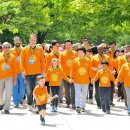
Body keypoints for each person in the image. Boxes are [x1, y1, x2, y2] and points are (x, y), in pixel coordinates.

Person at [20, 33, 45, 111]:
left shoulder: (40, 49)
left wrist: (43, 71)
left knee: (36, 89)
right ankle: (30, 104)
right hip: (28, 73)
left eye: (34, 40)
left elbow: (42, 61)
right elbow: (22, 61)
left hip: (37, 73)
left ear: (36, 40)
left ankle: (36, 104)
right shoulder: (24, 49)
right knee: (28, 90)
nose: (33, 41)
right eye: (31, 40)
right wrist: (23, 70)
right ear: (29, 40)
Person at [72, 47, 94, 113]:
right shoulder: (75, 60)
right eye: (78, 53)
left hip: (85, 80)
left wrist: (92, 78)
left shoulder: (88, 60)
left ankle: (83, 106)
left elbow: (90, 71)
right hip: (77, 80)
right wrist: (71, 77)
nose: (80, 54)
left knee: (84, 94)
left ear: (84, 53)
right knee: (78, 93)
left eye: (81, 53)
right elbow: (72, 70)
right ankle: (78, 106)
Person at [59, 40, 77, 109]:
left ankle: (73, 103)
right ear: (65, 46)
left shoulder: (75, 53)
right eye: (67, 45)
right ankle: (67, 103)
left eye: (69, 45)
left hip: (73, 75)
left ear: (71, 45)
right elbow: (60, 64)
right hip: (65, 75)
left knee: (73, 90)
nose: (68, 46)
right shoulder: (62, 54)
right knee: (66, 90)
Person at [0, 42, 17, 114]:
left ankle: (6, 108)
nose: (6, 49)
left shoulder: (13, 57)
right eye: (5, 47)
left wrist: (15, 79)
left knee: (8, 93)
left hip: (9, 78)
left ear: (10, 48)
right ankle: (1, 103)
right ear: (2, 48)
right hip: (0, 77)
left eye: (8, 47)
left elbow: (15, 69)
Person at [10, 36, 26, 108]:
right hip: (14, 72)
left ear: (20, 41)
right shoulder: (11, 50)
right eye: (15, 41)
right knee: (15, 88)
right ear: (14, 42)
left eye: (18, 41)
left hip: (22, 72)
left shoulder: (24, 50)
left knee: (23, 88)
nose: (17, 42)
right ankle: (16, 102)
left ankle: (20, 98)